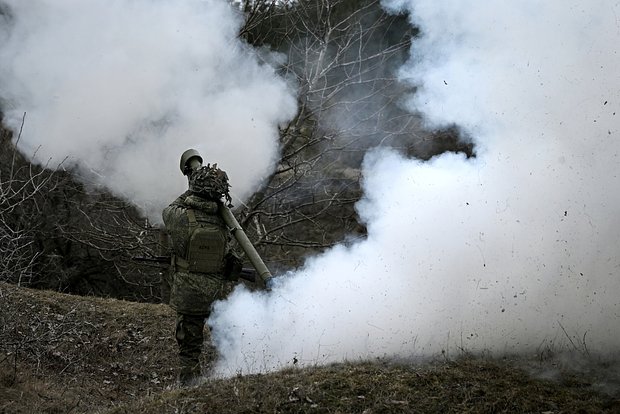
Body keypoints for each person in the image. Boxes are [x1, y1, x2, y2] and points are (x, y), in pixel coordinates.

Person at [162, 149, 240, 386]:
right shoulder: (223, 220)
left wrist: (192, 188)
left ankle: (186, 392)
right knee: (223, 345)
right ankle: (224, 383)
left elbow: (168, 209)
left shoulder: (181, 217)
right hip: (217, 294)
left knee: (189, 350)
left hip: (190, 296)